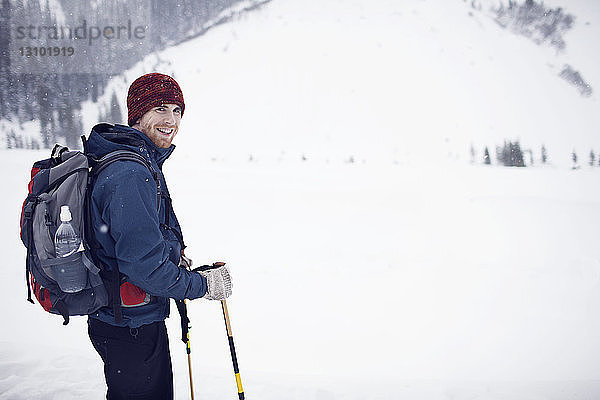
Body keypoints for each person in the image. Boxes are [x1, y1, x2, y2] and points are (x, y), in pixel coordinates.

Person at [85, 72, 232, 399]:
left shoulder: (135, 162)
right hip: (130, 325)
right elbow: (143, 266)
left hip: (122, 318)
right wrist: (202, 286)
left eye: (177, 111)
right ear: (138, 114)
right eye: (161, 109)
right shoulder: (130, 172)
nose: (172, 120)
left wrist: (174, 258)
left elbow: (137, 245)